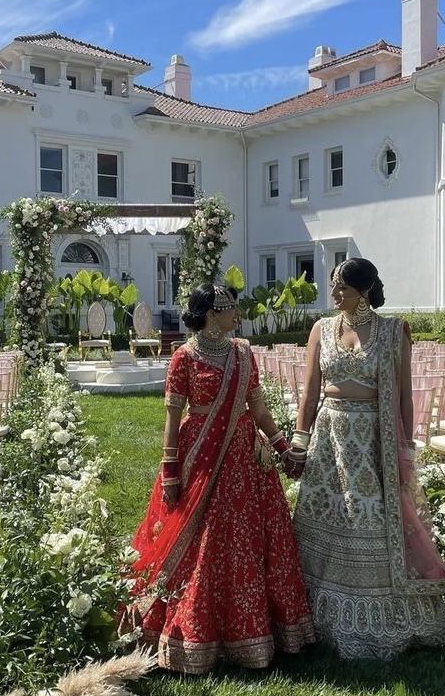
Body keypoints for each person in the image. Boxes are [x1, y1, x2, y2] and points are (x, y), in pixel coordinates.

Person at [124, 283, 314, 673]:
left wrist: (282, 449)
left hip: (244, 456)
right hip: (201, 459)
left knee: (247, 538)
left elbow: (257, 408)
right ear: (212, 313)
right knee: (203, 540)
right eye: (231, 310)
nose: (238, 316)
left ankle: (257, 631)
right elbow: (173, 420)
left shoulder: (243, 353)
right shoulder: (183, 358)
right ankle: (193, 633)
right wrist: (171, 470)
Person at [286, 258, 445, 660]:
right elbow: (310, 392)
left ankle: (382, 616)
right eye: (333, 286)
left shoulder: (393, 331)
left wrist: (405, 449)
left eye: (341, 287)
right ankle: (313, 616)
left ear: (363, 291)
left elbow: (403, 398)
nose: (333, 294)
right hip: (330, 438)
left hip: (372, 441)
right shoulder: (321, 329)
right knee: (326, 517)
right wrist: (299, 442)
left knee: (370, 517)